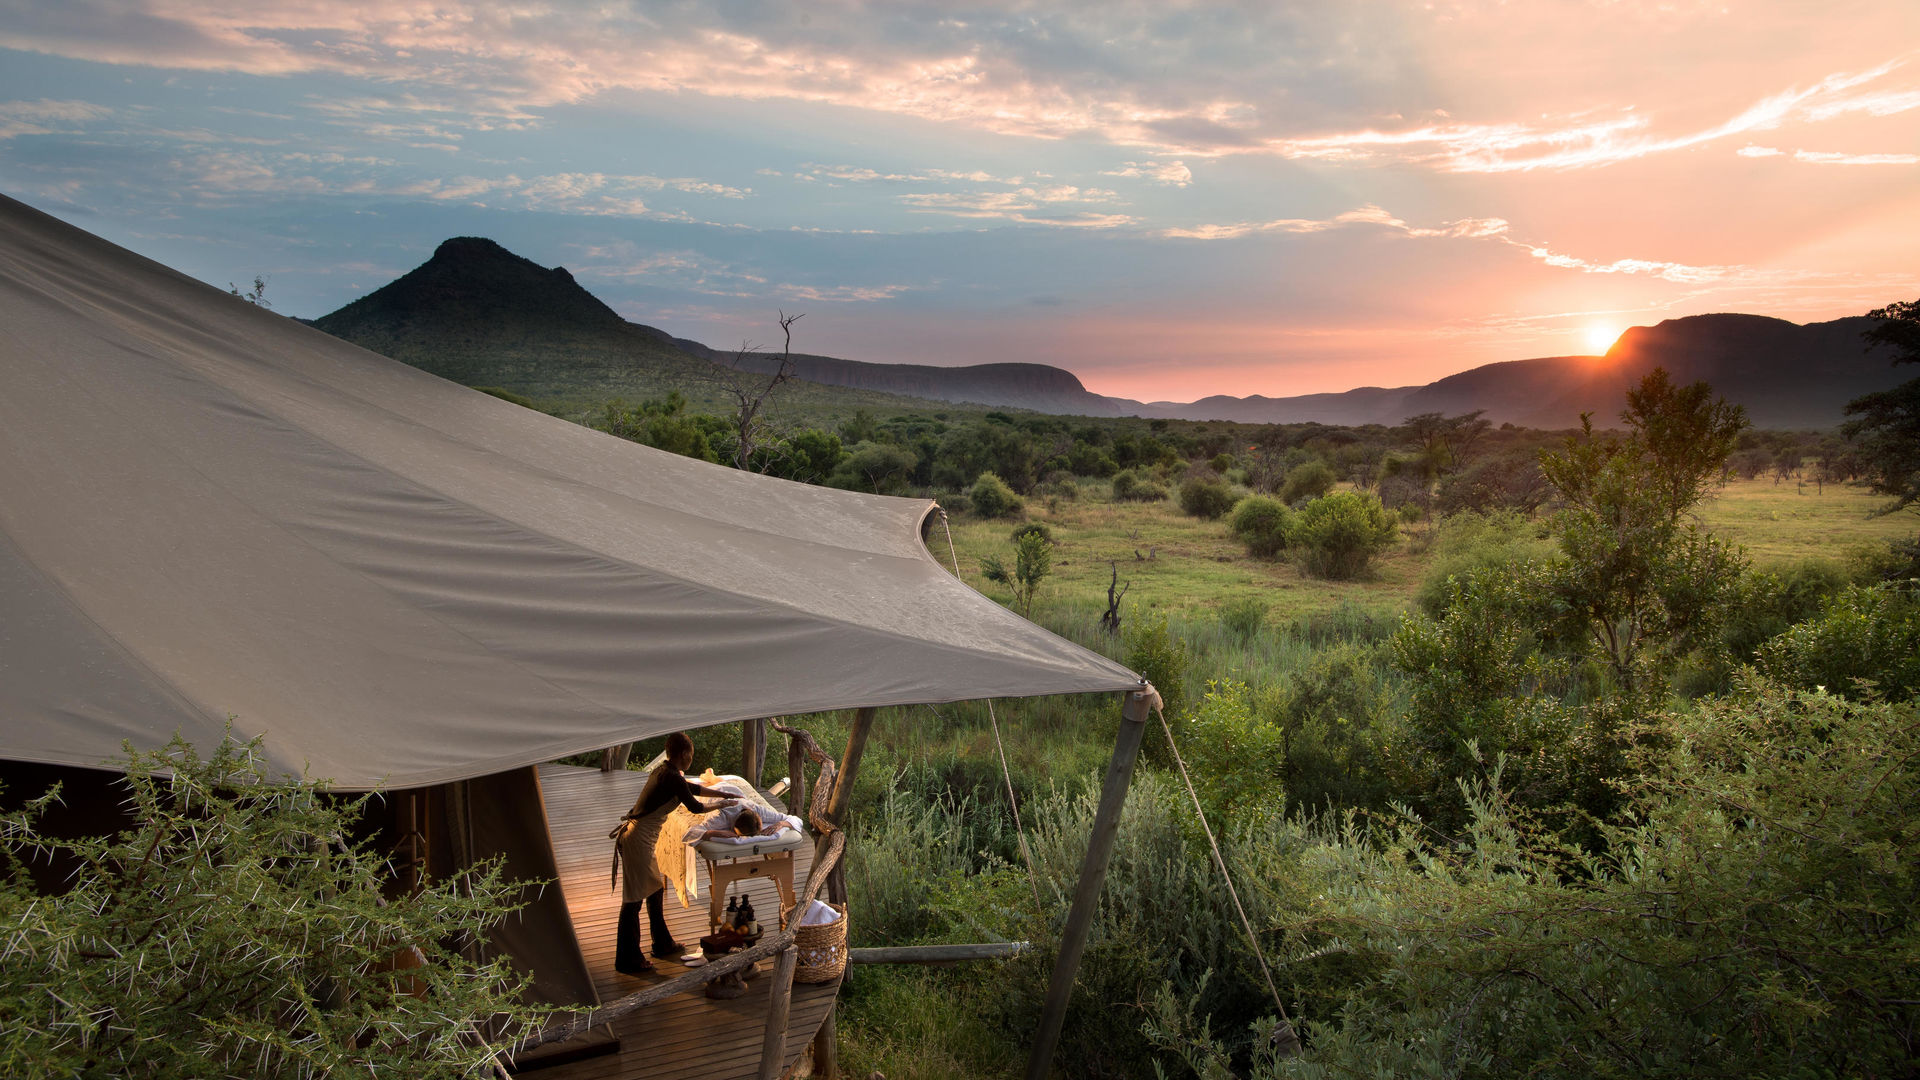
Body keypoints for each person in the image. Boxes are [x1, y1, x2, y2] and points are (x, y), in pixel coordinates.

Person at [612, 731, 736, 975]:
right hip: (638, 840)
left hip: (640, 838)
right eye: (691, 754)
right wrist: (724, 804)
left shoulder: (666, 771)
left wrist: (722, 793)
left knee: (655, 891)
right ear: (685, 754)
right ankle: (627, 960)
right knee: (633, 901)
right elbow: (696, 806)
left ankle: (662, 943)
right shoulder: (670, 776)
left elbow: (691, 788)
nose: (692, 758)